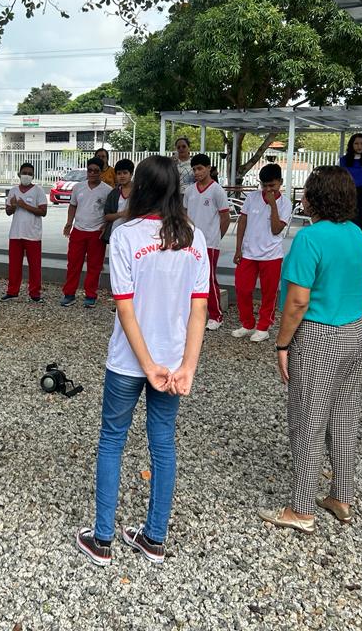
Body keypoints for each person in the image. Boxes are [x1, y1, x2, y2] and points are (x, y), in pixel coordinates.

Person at [75, 156, 208, 566]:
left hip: (129, 362)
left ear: (141, 188)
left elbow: (125, 308)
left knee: (112, 440)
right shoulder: (193, 237)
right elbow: (199, 308)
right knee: (163, 444)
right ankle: (153, 537)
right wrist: (187, 365)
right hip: (170, 364)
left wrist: (147, 364)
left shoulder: (126, 234)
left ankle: (102, 539)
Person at [259, 167, 362, 533]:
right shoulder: (356, 234)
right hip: (355, 331)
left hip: (319, 336)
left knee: (307, 421)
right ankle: (341, 496)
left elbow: (297, 302)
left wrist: (283, 342)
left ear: (313, 198)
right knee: (343, 418)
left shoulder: (309, 239)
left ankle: (302, 508)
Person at [232, 163, 292, 342]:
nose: (267, 189)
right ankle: (247, 324)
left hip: (271, 255)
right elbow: (242, 221)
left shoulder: (285, 203)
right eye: (264, 185)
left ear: (280, 182)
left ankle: (264, 326)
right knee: (242, 288)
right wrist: (238, 248)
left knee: (269, 292)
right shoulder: (252, 197)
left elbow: (276, 229)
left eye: (272, 185)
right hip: (248, 253)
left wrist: (273, 205)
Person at [183, 153, 231, 330]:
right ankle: (192, 312)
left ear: (209, 168)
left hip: (210, 243)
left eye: (200, 168)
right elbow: (185, 214)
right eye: (194, 169)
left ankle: (216, 315)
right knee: (189, 278)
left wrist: (217, 236)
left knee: (209, 279)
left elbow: (225, 217)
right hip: (190, 242)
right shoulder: (189, 190)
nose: (197, 172)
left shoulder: (217, 190)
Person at [61, 157, 112, 308]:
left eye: (96, 171)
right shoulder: (78, 187)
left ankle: (91, 295)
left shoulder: (107, 190)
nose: (92, 173)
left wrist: (105, 226)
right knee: (73, 264)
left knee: (94, 266)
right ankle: (69, 294)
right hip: (78, 230)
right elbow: (72, 206)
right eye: (90, 170)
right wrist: (69, 223)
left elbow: (110, 211)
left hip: (97, 232)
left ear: (102, 172)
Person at [2, 162, 48, 302]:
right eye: (24, 173)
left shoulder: (38, 191)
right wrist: (14, 206)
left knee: (35, 266)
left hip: (32, 234)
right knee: (14, 265)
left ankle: (35, 293)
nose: (26, 175)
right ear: (19, 174)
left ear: (33, 176)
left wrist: (25, 206)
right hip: (16, 233)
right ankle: (12, 291)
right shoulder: (13, 190)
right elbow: (8, 211)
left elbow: (43, 211)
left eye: (29, 173)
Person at [338, 133, 362, 228]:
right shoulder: (343, 161)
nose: (359, 146)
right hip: (346, 194)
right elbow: (337, 179)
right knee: (346, 221)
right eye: (356, 143)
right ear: (351, 145)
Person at [101, 158, 135, 244]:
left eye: (125, 173)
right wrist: (121, 214)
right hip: (115, 234)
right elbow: (107, 216)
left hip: (134, 235)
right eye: (119, 173)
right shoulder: (113, 193)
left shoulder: (139, 192)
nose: (122, 176)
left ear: (131, 174)